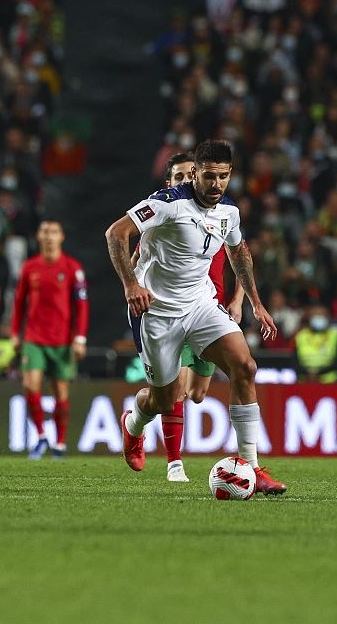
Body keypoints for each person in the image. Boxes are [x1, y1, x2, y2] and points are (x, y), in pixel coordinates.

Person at [105, 139, 287, 495]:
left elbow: (239, 252)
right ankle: (134, 423)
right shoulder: (167, 203)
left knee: (245, 367)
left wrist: (256, 303)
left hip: (200, 305)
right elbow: (116, 233)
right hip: (156, 312)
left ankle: (252, 466)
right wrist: (130, 285)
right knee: (164, 400)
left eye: (223, 177)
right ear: (195, 175)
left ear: (230, 174)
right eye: (208, 176)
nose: (216, 184)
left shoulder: (229, 211)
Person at [130, 152, 246, 483]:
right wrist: (134, 286)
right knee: (175, 393)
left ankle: (137, 418)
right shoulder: (163, 215)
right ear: (171, 182)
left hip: (208, 308)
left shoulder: (220, 216)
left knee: (197, 394)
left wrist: (238, 300)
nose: (184, 182)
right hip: (167, 311)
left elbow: (240, 257)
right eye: (178, 177)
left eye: (187, 176)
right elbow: (135, 257)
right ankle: (174, 464)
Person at [10, 220, 89, 459]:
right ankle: (42, 436)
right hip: (34, 338)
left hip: (62, 340)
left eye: (53, 232)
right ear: (38, 236)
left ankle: (60, 443)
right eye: (45, 231)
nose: (49, 236)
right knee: (30, 385)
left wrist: (80, 338)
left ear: (61, 237)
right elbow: (19, 302)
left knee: (60, 393)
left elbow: (82, 306)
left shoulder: (72, 268)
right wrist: (15, 333)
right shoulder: (29, 267)